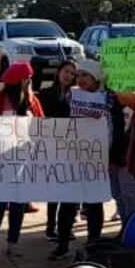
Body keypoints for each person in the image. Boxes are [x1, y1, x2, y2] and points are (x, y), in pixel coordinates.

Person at [49, 59, 125, 260]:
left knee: (94, 203)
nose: (80, 79)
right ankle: (63, 244)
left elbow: (117, 129)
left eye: (85, 75)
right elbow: (59, 123)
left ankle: (93, 243)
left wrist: (114, 158)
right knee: (67, 203)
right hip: (73, 157)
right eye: (78, 75)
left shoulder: (109, 98)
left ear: (96, 77)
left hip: (99, 158)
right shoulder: (71, 96)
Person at [0, 62, 45, 259]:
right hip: (1, 162)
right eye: (28, 79)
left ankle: (12, 244)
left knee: (18, 205)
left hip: (24, 163)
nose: (30, 83)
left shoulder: (33, 102)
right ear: (22, 82)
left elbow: (41, 126)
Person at [38, 60, 77, 242]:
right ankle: (50, 226)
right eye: (66, 71)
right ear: (59, 71)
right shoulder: (45, 94)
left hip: (71, 147)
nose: (68, 75)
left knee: (69, 189)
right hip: (50, 146)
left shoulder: (77, 96)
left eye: (72, 73)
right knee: (53, 189)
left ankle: (66, 227)